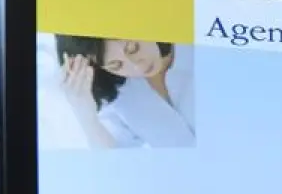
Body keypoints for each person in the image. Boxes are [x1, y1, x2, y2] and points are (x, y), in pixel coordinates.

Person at [54, 35, 195, 148]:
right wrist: (85, 114)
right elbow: (115, 162)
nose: (138, 67)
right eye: (115, 65)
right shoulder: (120, 99)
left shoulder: (195, 44)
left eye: (134, 48)